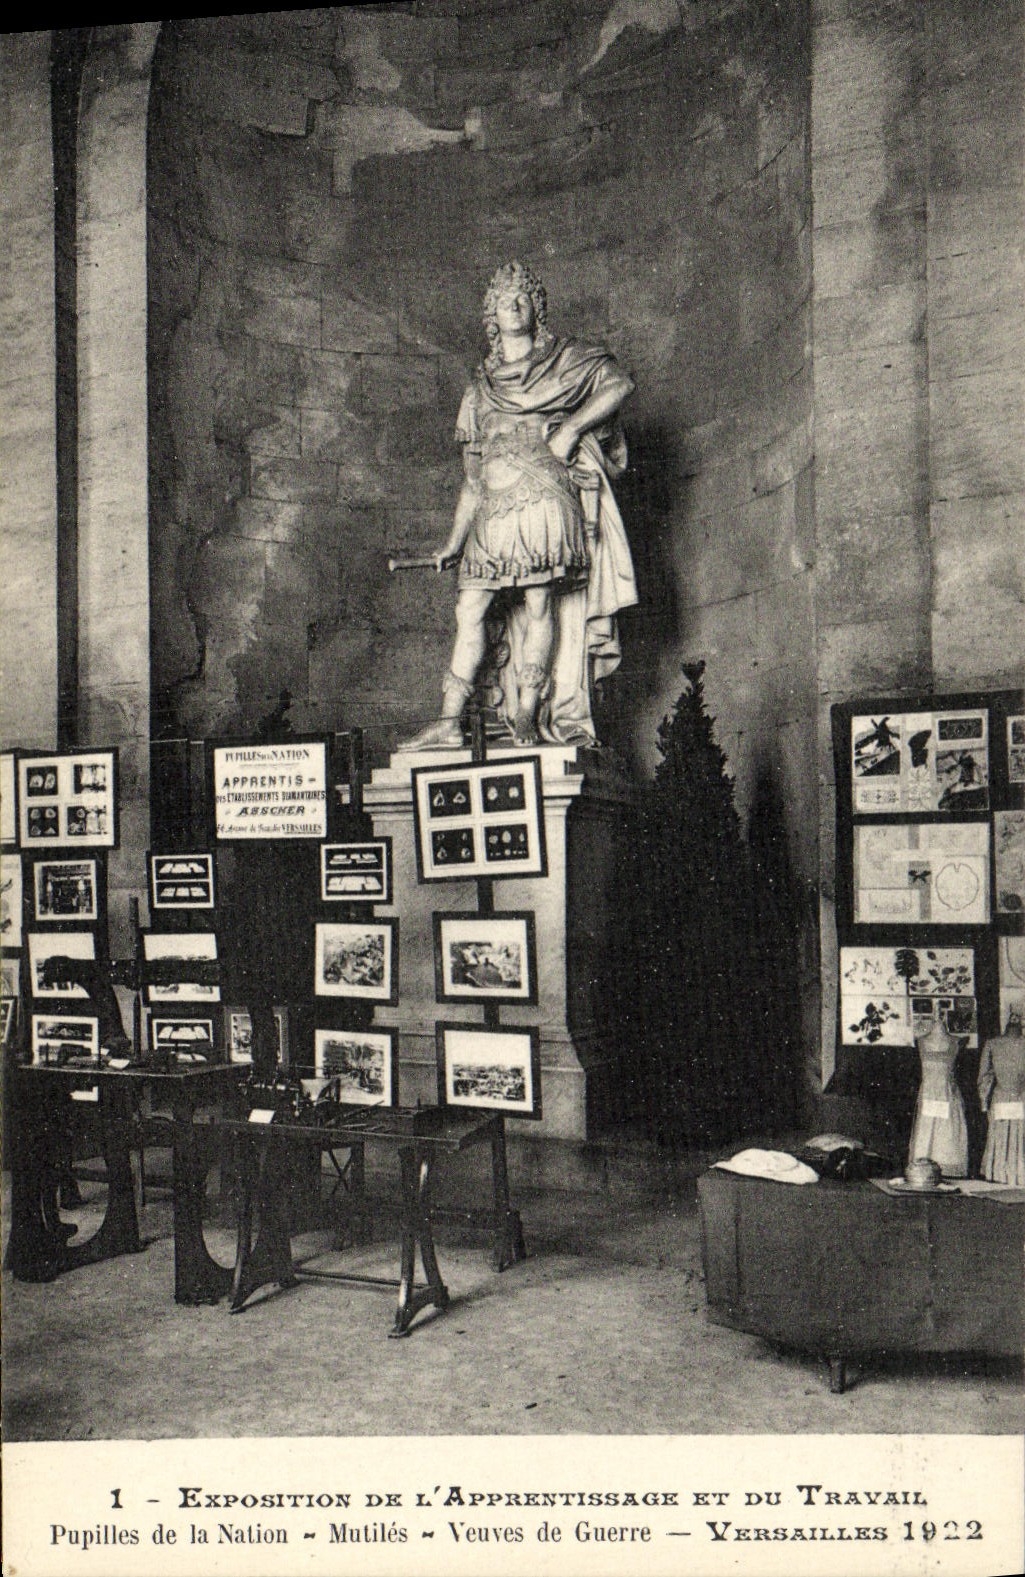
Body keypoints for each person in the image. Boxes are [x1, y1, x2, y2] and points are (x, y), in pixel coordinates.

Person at [400, 261, 637, 750]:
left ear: (537, 308)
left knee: (538, 603)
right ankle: (448, 721)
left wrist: (571, 429)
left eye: (523, 296)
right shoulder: (478, 391)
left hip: (545, 501)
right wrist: (452, 543)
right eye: (504, 297)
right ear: (490, 313)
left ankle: (527, 713)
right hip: (493, 514)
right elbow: (473, 481)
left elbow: (619, 384)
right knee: (471, 609)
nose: (513, 303)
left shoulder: (567, 360)